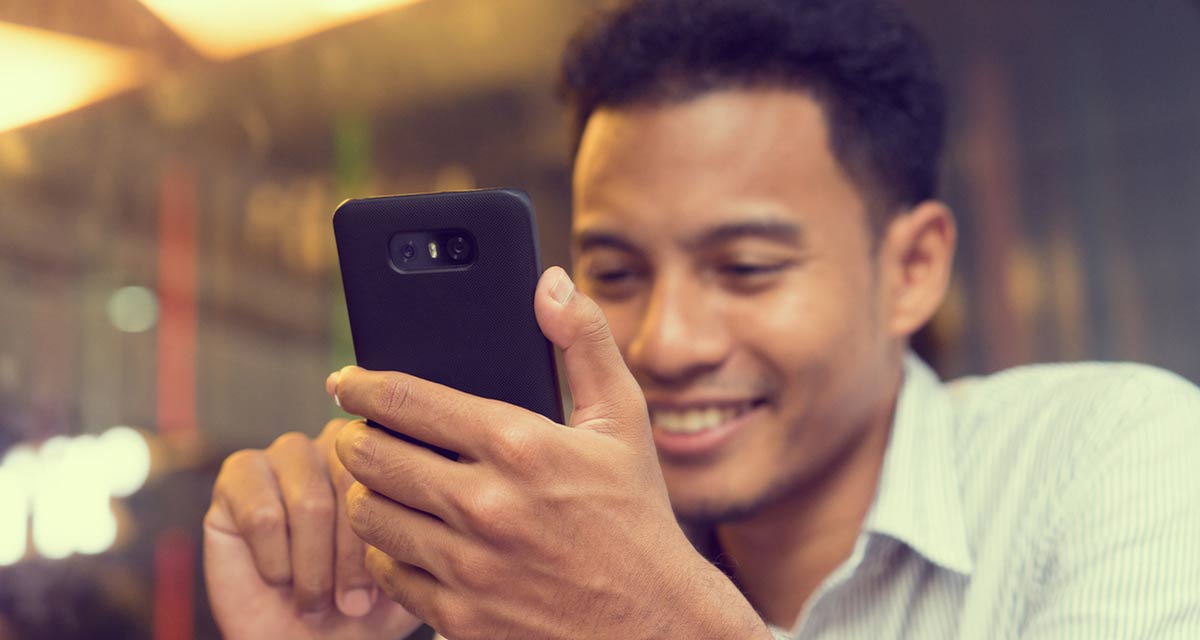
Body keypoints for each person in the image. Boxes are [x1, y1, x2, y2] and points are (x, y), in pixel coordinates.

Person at [203, 0, 1200, 638]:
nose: (665, 342)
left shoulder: (1116, 458)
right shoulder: (517, 570)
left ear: (913, 267)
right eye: (615, 269)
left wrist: (658, 623)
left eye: (748, 266)